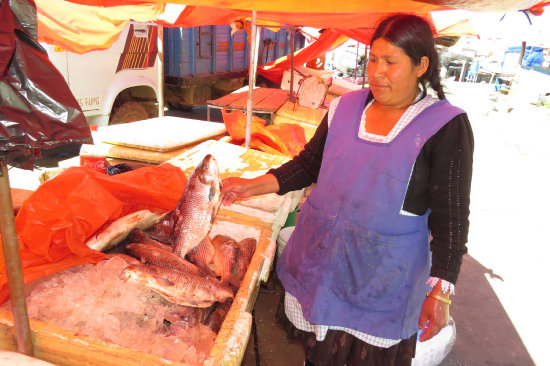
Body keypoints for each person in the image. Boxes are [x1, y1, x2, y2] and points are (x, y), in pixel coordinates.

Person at [221, 13, 473, 366]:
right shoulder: (344, 107)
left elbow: (452, 222)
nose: (377, 71)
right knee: (317, 354)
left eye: (391, 62)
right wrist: (248, 188)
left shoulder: (444, 126)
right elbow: (308, 165)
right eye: (372, 59)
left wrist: (441, 293)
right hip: (320, 265)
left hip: (382, 280)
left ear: (421, 66)